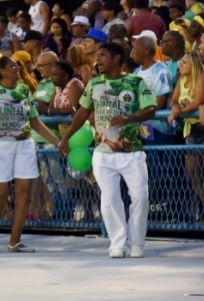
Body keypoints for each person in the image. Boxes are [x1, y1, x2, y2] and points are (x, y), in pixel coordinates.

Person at [60, 42, 156, 258]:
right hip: (103, 153)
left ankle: (137, 243)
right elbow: (83, 112)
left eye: (102, 55)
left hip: (132, 152)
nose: (97, 60)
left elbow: (150, 109)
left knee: (140, 197)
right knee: (110, 197)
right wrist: (66, 138)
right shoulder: (94, 83)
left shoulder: (135, 82)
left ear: (116, 58)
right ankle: (117, 243)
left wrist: (130, 118)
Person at [0, 56, 60, 254]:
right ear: (1, 71)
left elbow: (35, 121)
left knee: (24, 193)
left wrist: (58, 142)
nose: (17, 68)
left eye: (17, 65)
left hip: (24, 145)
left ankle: (14, 241)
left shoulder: (24, 90)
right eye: (12, 65)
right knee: (1, 193)